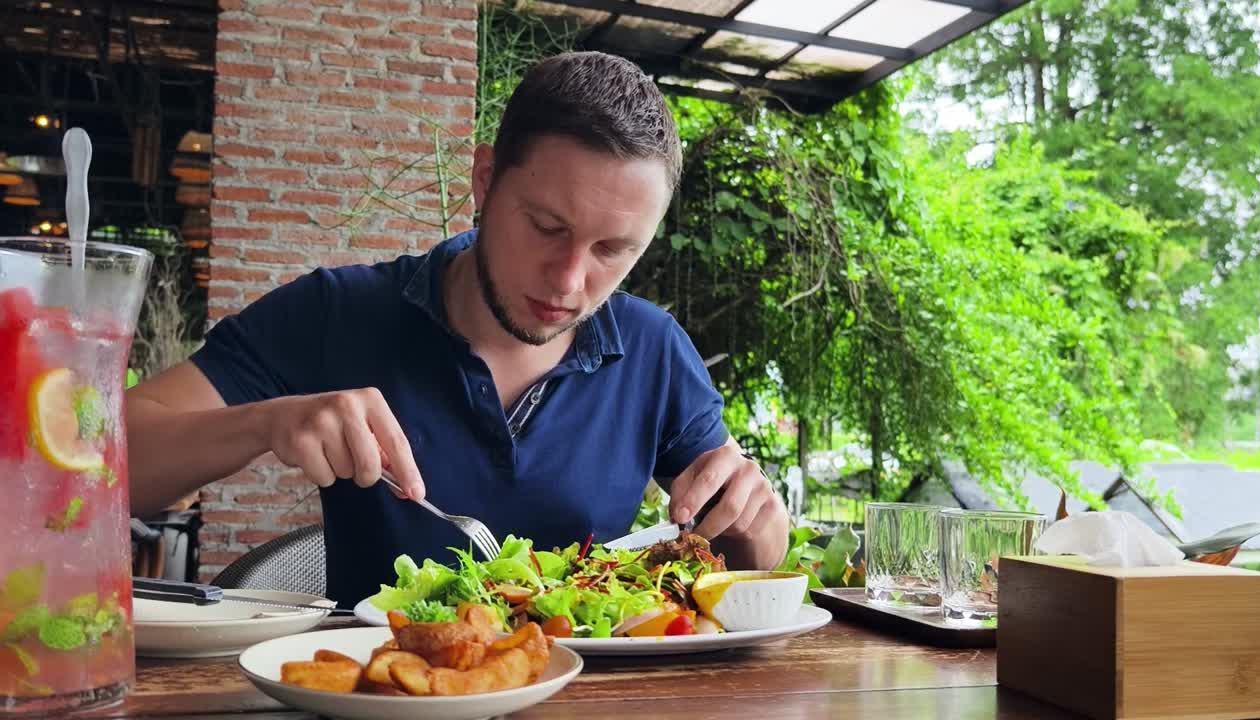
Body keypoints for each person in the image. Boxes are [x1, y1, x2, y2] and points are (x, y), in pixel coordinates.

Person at [126, 51, 789, 609]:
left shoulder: (653, 350)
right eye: (546, 227)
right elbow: (106, 461)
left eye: (612, 250)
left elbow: (738, 552)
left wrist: (758, 530)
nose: (567, 282)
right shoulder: (338, 312)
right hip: (380, 695)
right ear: (484, 179)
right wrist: (265, 423)